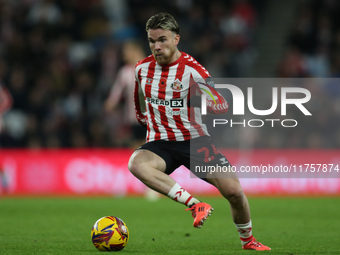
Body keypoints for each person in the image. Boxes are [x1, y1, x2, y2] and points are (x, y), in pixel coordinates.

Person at [128, 12, 270, 251]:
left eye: (162, 39)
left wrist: (200, 100)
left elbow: (221, 106)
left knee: (234, 192)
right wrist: (148, 122)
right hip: (160, 143)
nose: (157, 46)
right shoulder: (141, 69)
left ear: (176, 39)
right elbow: (139, 103)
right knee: (136, 163)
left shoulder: (194, 71)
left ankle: (248, 241)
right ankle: (195, 204)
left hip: (194, 142)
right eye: (152, 41)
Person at [104, 40, 147, 149]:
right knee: (138, 148)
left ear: (135, 50)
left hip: (153, 118)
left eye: (126, 51)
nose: (124, 55)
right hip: (134, 118)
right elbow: (115, 94)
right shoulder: (125, 72)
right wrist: (111, 103)